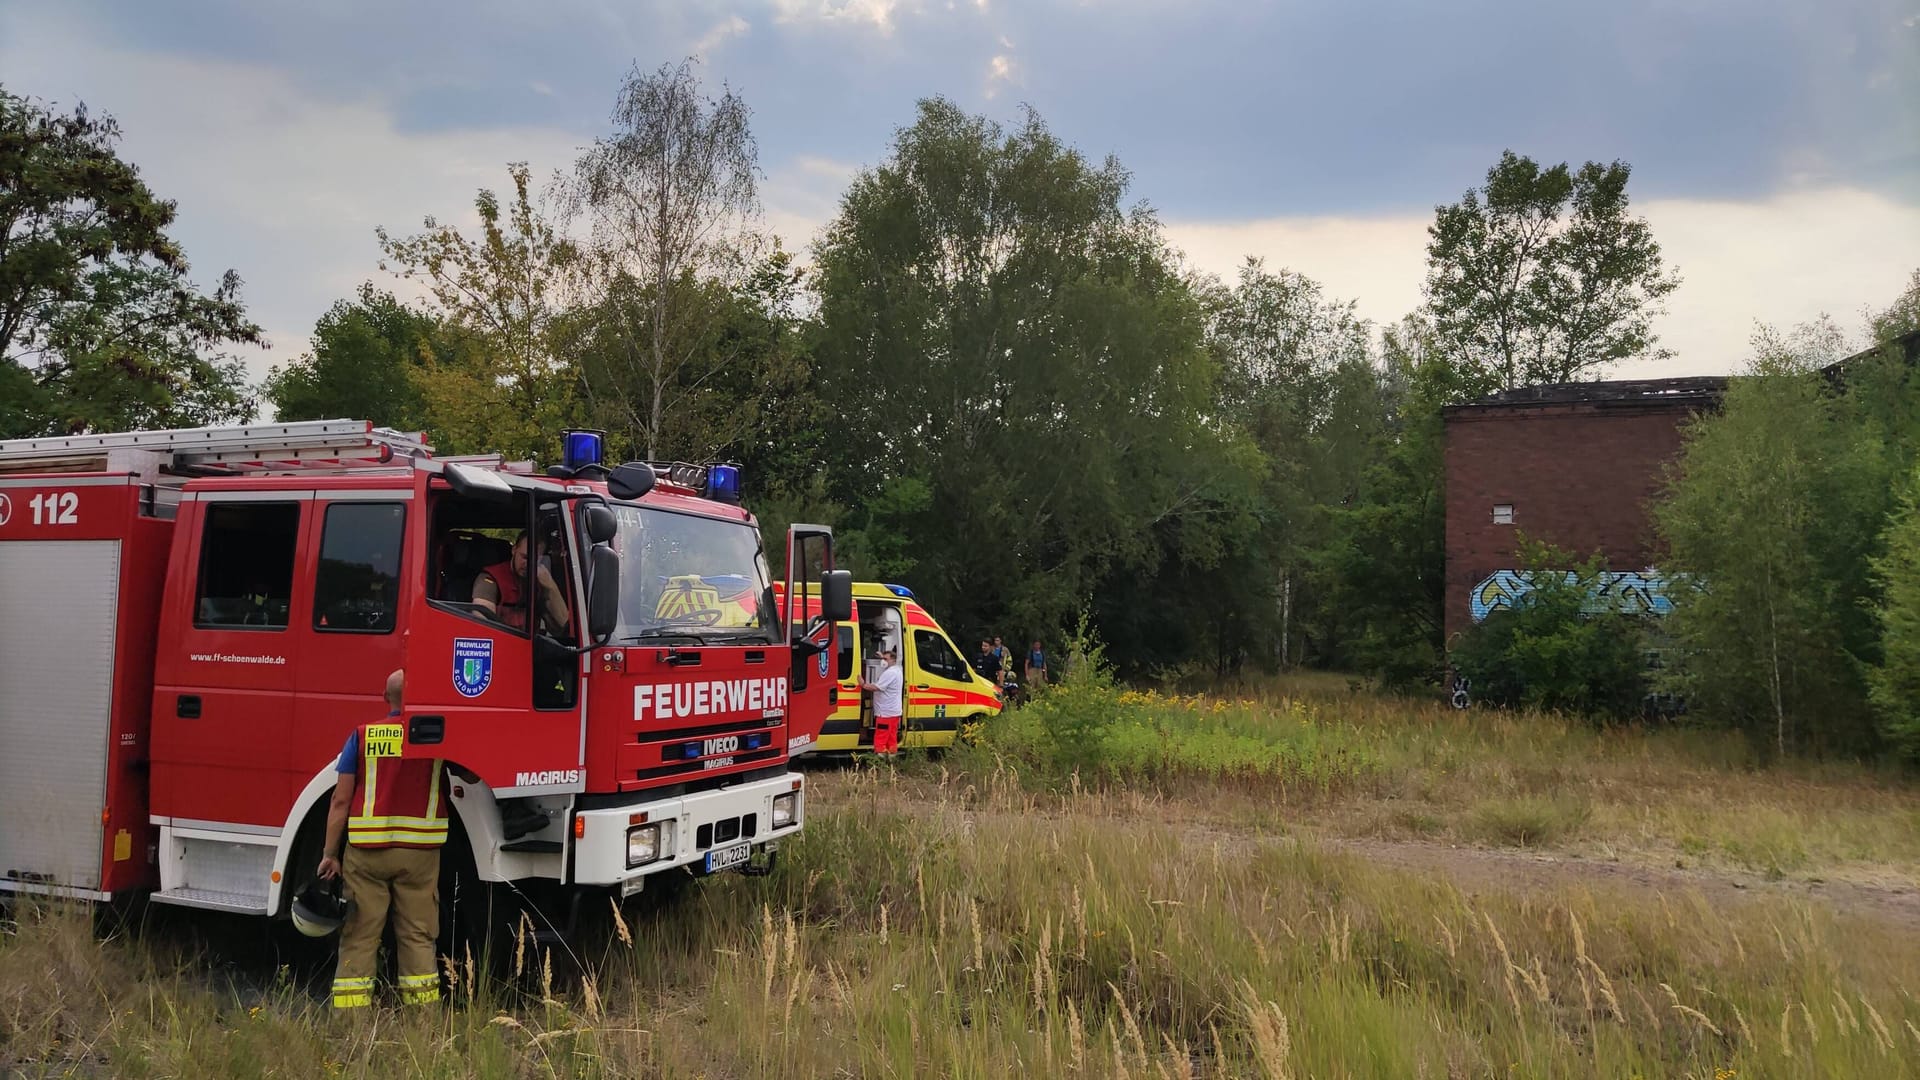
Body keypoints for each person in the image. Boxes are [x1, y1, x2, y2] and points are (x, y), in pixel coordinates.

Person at [318, 669, 473, 1011]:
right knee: (418, 937)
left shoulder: (362, 736)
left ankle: (352, 1023)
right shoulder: (435, 736)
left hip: (366, 853)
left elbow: (340, 801)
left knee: (359, 936)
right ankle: (423, 1021)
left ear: (384, 697)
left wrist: (331, 853)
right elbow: (472, 771)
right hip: (420, 853)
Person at [473, 531, 570, 634]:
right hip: (503, 642)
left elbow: (564, 627)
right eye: (525, 557)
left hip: (533, 645)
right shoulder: (490, 579)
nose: (528, 564)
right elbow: (482, 626)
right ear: (514, 550)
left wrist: (551, 586)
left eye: (534, 559)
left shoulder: (539, 582)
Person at [859, 646, 905, 756]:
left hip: (885, 713)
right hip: (894, 712)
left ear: (893, 660)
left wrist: (863, 684)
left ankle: (880, 761)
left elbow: (877, 687)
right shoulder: (897, 670)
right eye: (882, 659)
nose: (883, 661)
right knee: (891, 738)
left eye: (886, 659)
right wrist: (882, 656)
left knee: (881, 737)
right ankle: (891, 759)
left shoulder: (890, 673)